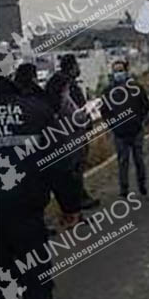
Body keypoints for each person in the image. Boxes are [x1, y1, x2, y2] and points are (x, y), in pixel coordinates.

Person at [0, 60, 81, 299]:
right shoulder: (35, 110)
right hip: (27, 217)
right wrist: (70, 206)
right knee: (36, 284)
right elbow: (59, 165)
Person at [45, 54, 100, 210]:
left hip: (75, 132)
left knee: (77, 167)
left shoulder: (65, 82)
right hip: (70, 133)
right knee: (74, 168)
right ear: (71, 66)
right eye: (77, 65)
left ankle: (79, 198)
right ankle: (76, 201)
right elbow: (69, 108)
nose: (79, 69)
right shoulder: (62, 83)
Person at [101, 60, 149, 198]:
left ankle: (142, 186)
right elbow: (104, 112)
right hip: (119, 133)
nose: (119, 74)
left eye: (121, 70)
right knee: (123, 162)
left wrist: (141, 123)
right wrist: (112, 127)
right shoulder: (108, 91)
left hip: (136, 131)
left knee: (139, 160)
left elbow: (145, 106)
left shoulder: (136, 88)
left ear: (126, 71)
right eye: (116, 71)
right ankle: (124, 189)